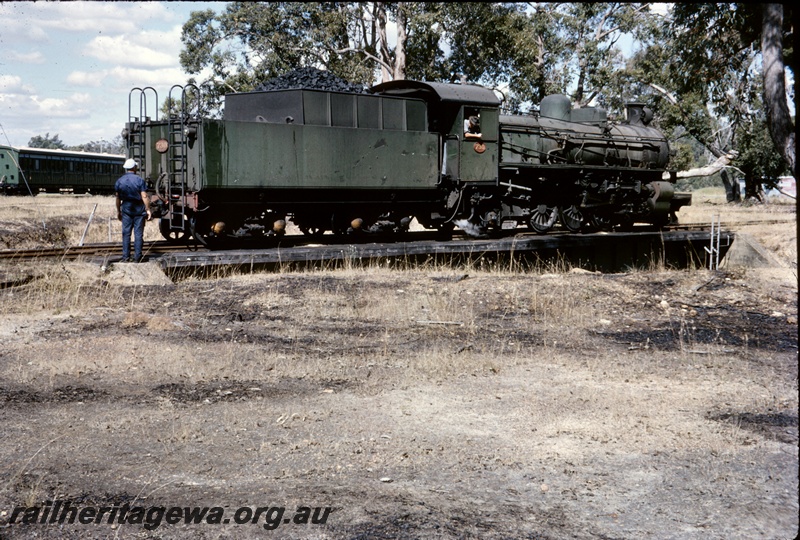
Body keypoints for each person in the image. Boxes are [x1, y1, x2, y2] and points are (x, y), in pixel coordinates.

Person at [115, 159, 151, 262]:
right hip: (139, 209)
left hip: (126, 209)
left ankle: (126, 257)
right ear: (134, 168)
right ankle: (137, 257)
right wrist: (148, 209)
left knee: (126, 233)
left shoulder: (119, 181)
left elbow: (117, 198)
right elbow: (144, 196)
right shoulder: (140, 180)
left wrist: (118, 211)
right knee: (138, 234)